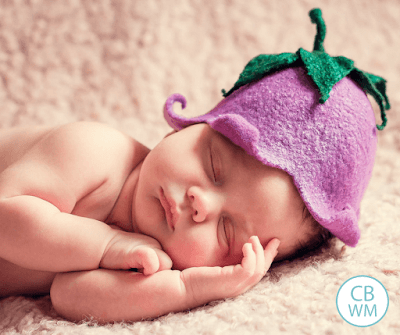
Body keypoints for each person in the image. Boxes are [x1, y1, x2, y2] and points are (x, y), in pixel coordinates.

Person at [0, 8, 390, 323]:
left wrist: (190, 288)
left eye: (226, 231)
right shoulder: (93, 151)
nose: (201, 203)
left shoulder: (152, 251)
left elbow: (70, 296)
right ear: (194, 127)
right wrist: (108, 245)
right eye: (214, 165)